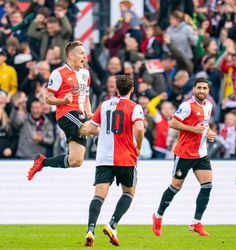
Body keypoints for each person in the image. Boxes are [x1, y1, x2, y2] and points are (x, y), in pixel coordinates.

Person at [80, 75, 144, 247]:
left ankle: (90, 230)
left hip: (104, 158)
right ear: (132, 89)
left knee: (99, 195)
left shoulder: (105, 104)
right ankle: (112, 224)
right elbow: (139, 127)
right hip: (126, 158)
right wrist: (138, 146)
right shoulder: (135, 107)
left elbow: (91, 128)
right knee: (129, 193)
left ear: (116, 88)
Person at [152, 77, 216, 237]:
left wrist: (209, 133)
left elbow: (205, 123)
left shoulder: (208, 105)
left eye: (204, 88)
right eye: (199, 88)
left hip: (201, 153)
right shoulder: (187, 105)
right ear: (194, 89)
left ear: (208, 91)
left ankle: (196, 222)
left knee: (207, 185)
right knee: (175, 187)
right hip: (185, 153)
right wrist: (192, 129)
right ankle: (158, 216)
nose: (202, 91)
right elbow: (172, 123)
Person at [27, 41, 91, 180]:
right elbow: (48, 98)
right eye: (82, 53)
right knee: (97, 129)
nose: (85, 56)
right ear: (71, 55)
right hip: (67, 114)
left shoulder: (85, 74)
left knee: (76, 161)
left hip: (81, 116)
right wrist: (63, 101)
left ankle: (42, 162)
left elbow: (86, 98)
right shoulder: (58, 73)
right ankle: (119, 135)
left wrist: (89, 113)